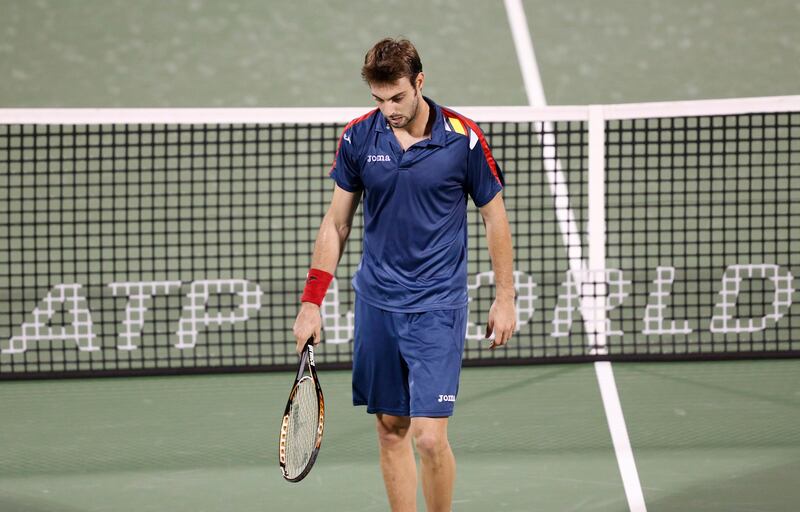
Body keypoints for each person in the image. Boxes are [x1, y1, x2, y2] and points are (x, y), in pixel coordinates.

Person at [293, 37, 515, 512]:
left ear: (419, 82)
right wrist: (312, 301)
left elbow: (494, 216)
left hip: (437, 305)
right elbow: (336, 223)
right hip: (377, 304)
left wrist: (505, 297)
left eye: (396, 97)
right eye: (378, 99)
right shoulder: (358, 138)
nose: (388, 109)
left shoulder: (463, 138)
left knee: (430, 439)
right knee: (391, 429)